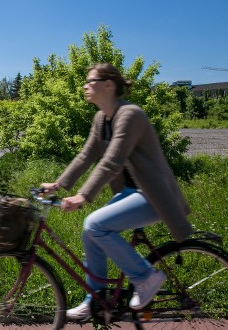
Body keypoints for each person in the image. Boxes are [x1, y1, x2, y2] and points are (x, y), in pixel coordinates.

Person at [41, 63, 193, 320]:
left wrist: (83, 196)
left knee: (95, 223)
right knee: (91, 233)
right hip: (132, 193)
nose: (85, 85)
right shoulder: (102, 118)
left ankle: (147, 277)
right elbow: (86, 155)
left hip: (154, 195)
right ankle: (95, 298)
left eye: (90, 81)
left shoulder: (130, 114)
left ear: (108, 85)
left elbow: (112, 161)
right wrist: (59, 185)